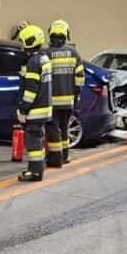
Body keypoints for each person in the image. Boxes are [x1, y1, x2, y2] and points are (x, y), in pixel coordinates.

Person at [16, 24, 54, 182]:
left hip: (35, 109)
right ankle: (38, 168)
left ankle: (35, 172)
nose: (21, 45)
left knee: (32, 140)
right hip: (44, 108)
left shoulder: (33, 62)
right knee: (38, 138)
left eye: (23, 41)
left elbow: (31, 89)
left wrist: (24, 109)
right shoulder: (43, 58)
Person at [46, 19, 84, 164]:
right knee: (64, 127)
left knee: (53, 128)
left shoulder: (47, 53)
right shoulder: (74, 53)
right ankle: (65, 156)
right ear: (66, 34)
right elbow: (80, 78)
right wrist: (76, 94)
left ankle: (55, 158)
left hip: (52, 101)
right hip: (69, 101)